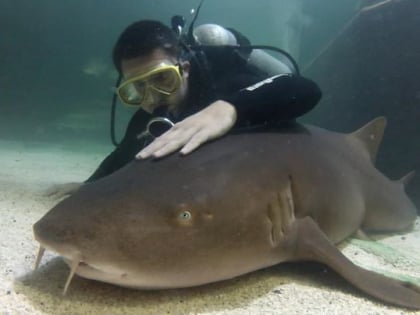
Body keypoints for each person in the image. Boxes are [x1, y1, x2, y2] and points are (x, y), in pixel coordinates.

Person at [49, 19, 321, 195]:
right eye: (138, 87)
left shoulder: (223, 82)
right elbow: (123, 154)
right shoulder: (149, 115)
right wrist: (88, 186)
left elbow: (307, 89)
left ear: (185, 69)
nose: (153, 97)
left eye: (163, 79)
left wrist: (227, 109)